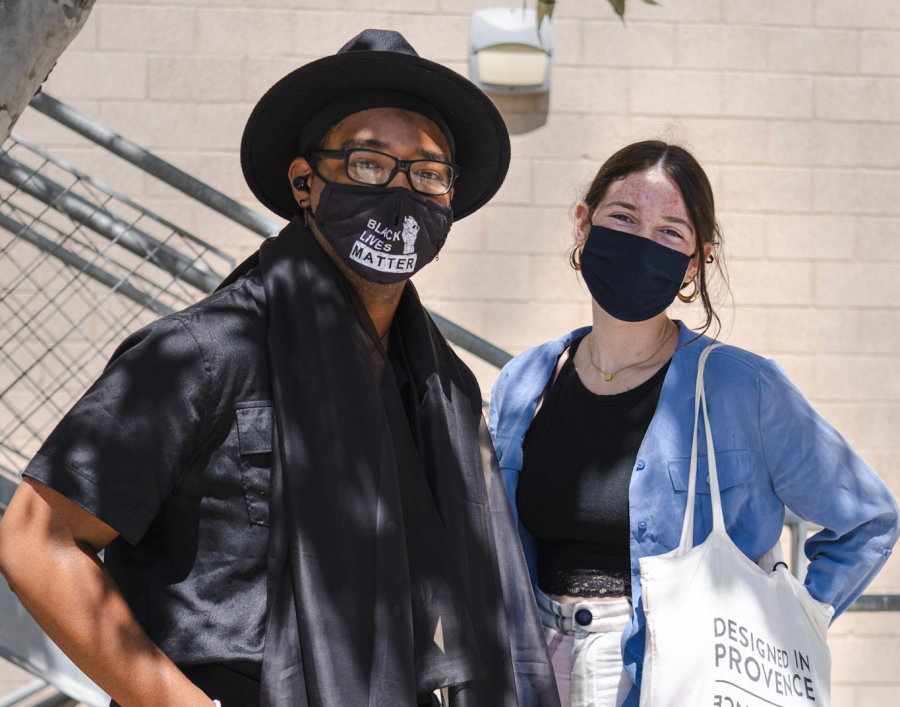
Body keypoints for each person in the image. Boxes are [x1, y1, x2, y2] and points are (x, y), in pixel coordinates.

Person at [0, 30, 560, 707]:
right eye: (368, 163)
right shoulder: (204, 352)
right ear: (305, 181)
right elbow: (36, 538)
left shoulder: (442, 389)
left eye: (429, 172)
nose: (402, 189)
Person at [488, 140, 900, 707]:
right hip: (532, 666)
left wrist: (789, 626)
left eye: (670, 233)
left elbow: (866, 522)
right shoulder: (523, 381)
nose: (641, 244)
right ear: (583, 224)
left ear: (693, 261)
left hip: (675, 674)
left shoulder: (742, 387)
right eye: (624, 218)